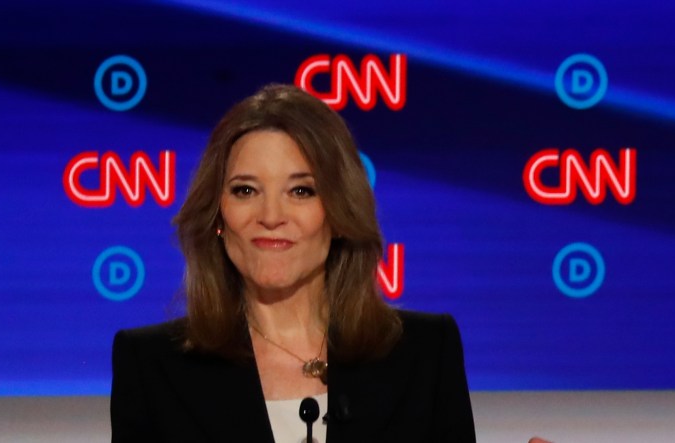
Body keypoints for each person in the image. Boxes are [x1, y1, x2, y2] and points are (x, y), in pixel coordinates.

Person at [110, 83, 476, 442]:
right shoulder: (150, 366)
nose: (271, 216)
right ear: (218, 216)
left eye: (301, 191)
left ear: (339, 214)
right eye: (245, 190)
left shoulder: (426, 354)